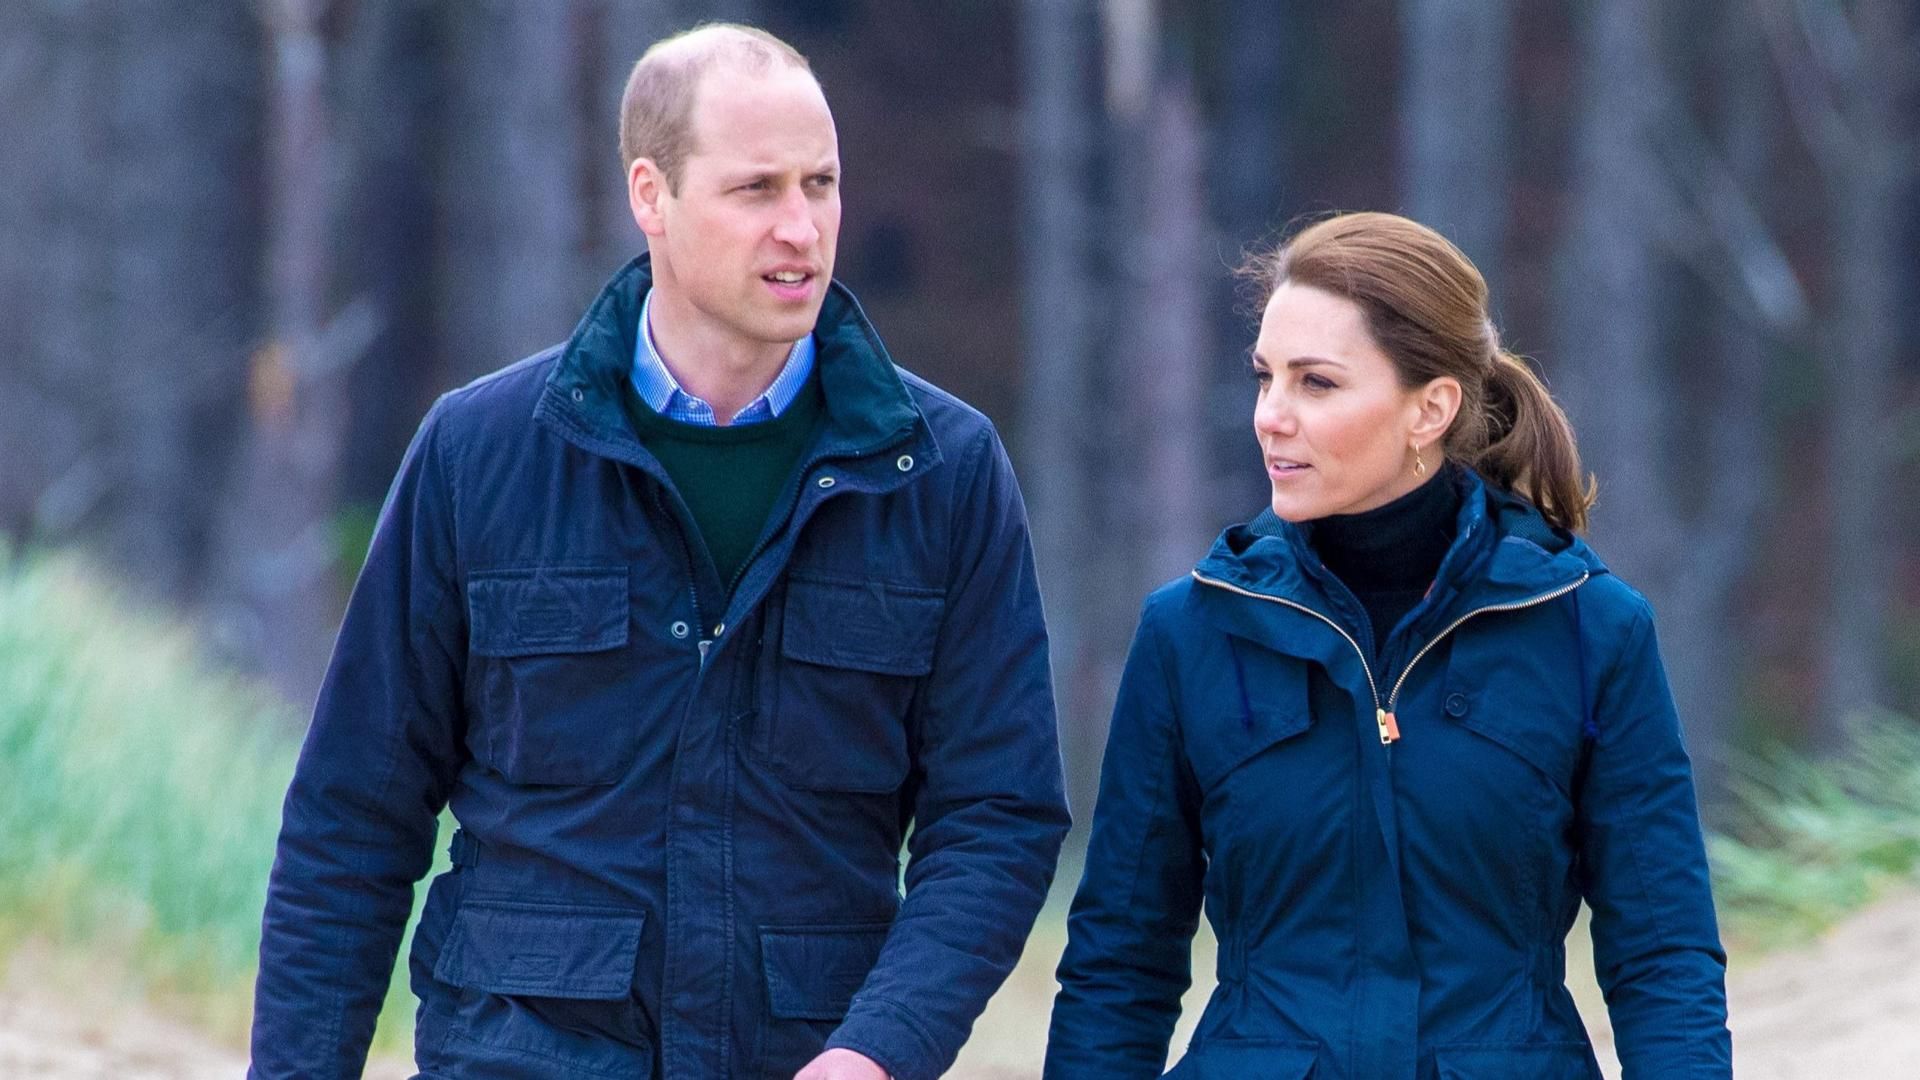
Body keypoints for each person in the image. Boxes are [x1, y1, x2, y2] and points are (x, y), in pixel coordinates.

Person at [249, 23, 1069, 1080]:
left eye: (821, 184)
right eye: (756, 189)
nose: (801, 228)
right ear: (652, 196)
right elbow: (353, 816)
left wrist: (879, 1049)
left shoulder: (942, 471)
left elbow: (997, 820)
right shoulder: (479, 451)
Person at [1043, 212, 1731, 1079]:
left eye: (1316, 384)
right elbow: (1120, 964)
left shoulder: (1593, 630)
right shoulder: (1189, 634)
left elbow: (1664, 960)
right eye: (1264, 378)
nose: (1269, 417)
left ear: (1430, 409)